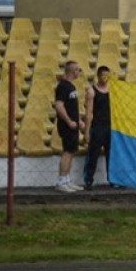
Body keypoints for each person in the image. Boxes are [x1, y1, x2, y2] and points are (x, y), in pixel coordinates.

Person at [54, 61, 85, 192]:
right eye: (78, 70)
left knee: (71, 151)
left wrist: (79, 120)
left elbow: (73, 107)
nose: (79, 72)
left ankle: (67, 179)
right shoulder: (62, 86)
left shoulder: (71, 87)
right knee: (67, 152)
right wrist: (68, 121)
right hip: (67, 125)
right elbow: (59, 106)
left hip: (74, 124)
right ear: (73, 71)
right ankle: (61, 181)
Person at [82, 65, 111, 190]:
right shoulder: (91, 91)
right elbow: (89, 113)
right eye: (103, 75)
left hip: (110, 126)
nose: (105, 78)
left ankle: (113, 180)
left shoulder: (113, 90)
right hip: (97, 126)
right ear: (98, 76)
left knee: (111, 155)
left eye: (107, 76)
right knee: (93, 154)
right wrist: (87, 131)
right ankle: (88, 180)